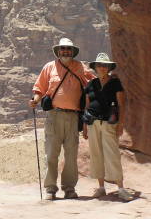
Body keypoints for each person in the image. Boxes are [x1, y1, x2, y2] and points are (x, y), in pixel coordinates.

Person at [30, 37, 94, 200]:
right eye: (63, 49)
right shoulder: (49, 67)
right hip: (54, 115)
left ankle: (69, 188)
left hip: (73, 117)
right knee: (51, 153)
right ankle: (50, 189)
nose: (65, 51)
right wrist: (35, 101)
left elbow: (93, 84)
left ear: (72, 52)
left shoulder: (80, 67)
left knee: (71, 154)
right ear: (58, 51)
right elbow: (39, 88)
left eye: (68, 49)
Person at [82, 53, 134, 201]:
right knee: (96, 154)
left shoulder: (115, 83)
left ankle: (121, 188)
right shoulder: (90, 84)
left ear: (109, 67)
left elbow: (122, 104)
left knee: (112, 154)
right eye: (99, 65)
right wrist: (85, 126)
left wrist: (121, 124)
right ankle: (101, 187)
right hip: (93, 123)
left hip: (109, 123)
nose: (102, 68)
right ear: (95, 67)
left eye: (105, 65)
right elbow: (87, 105)